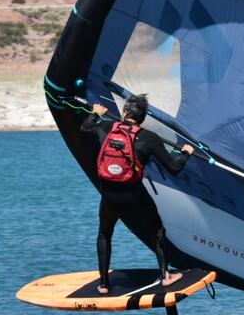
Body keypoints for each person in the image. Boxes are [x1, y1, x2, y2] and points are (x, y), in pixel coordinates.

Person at [81, 94, 195, 294]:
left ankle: (104, 284)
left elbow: (85, 127)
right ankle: (165, 275)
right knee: (157, 229)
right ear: (142, 118)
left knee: (104, 234)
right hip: (133, 195)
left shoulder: (107, 128)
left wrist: (96, 113)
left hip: (109, 196)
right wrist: (185, 153)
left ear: (124, 113)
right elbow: (174, 167)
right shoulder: (149, 138)